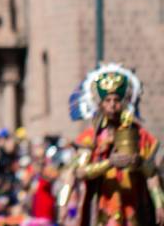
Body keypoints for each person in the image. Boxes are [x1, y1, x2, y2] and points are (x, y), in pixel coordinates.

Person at [70, 64, 164, 226]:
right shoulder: (91, 137)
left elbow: (151, 173)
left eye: (117, 100)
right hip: (104, 208)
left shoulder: (139, 134)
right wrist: (109, 163)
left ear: (124, 102)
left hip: (133, 208)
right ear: (101, 104)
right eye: (108, 100)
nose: (112, 105)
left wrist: (159, 204)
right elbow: (80, 172)